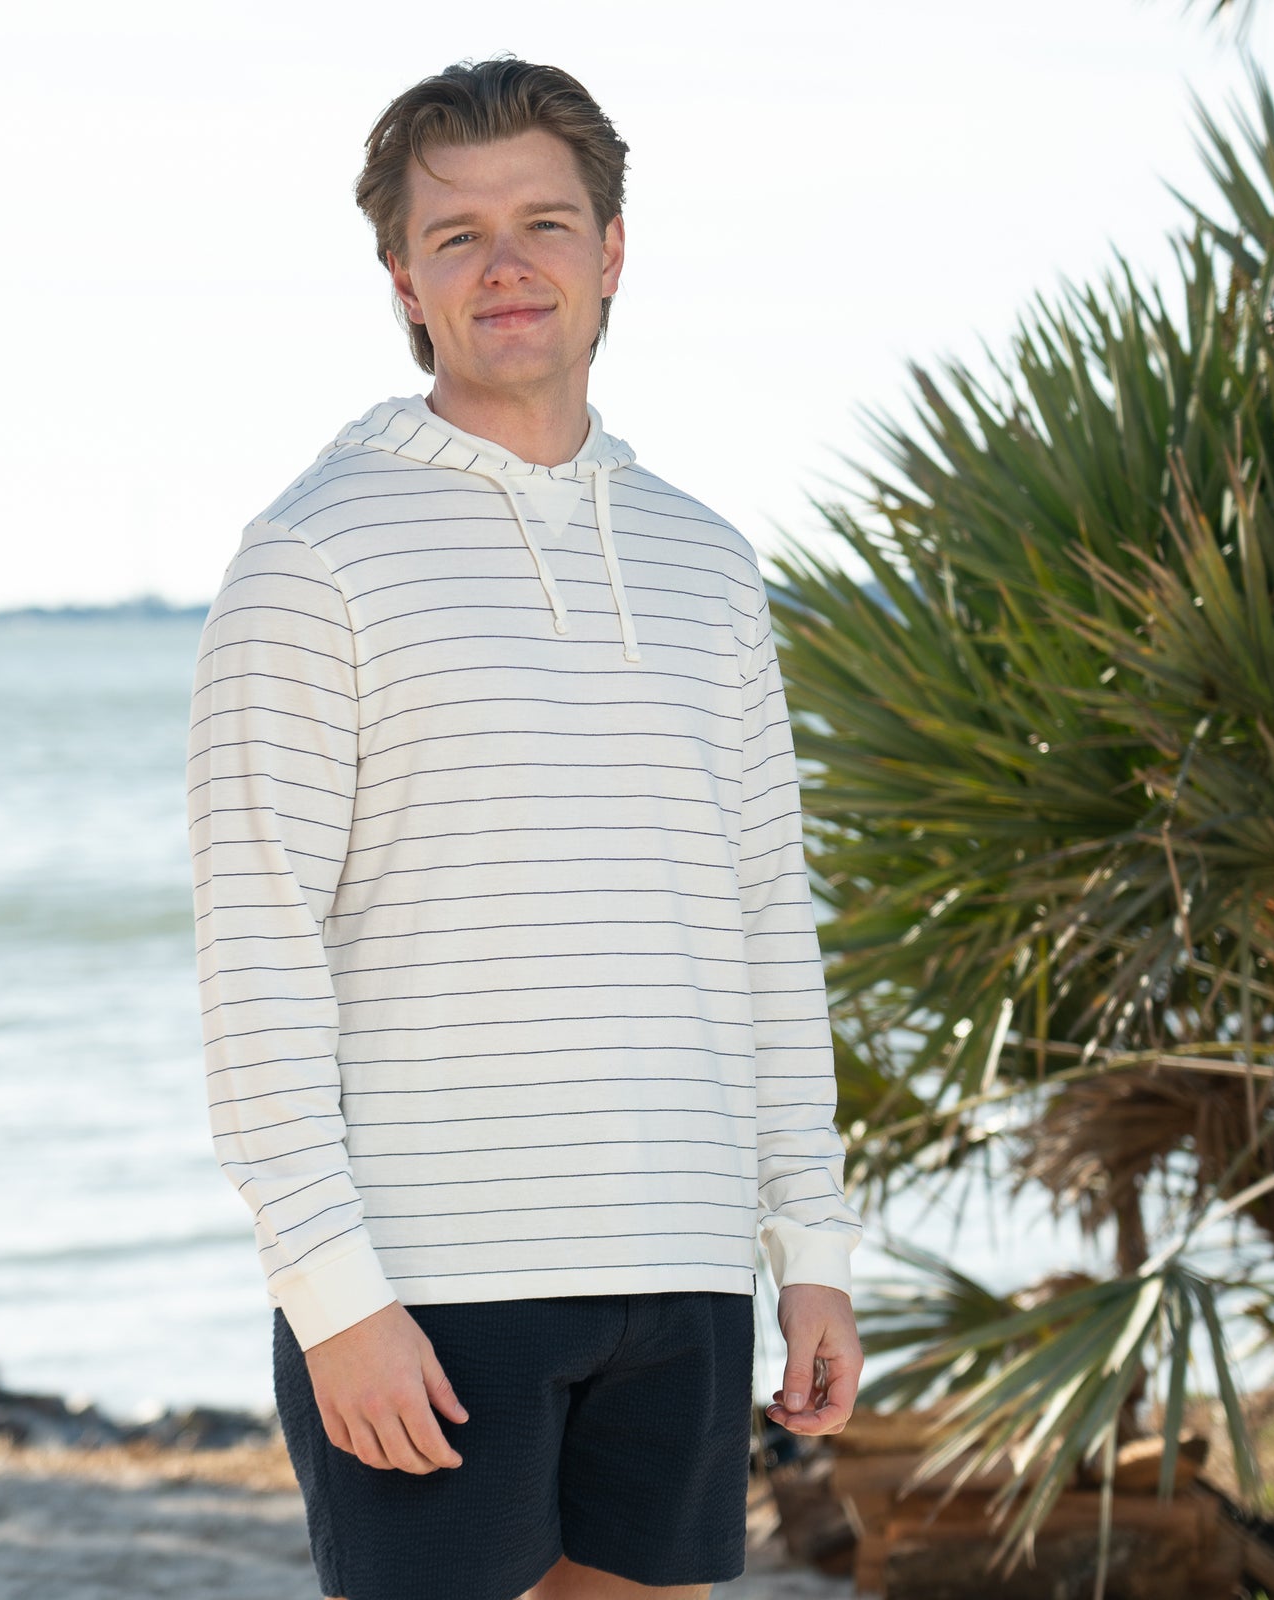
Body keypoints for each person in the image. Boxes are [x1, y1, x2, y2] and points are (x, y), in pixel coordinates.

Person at [184, 52, 865, 1600]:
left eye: (545, 224)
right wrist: (331, 1295)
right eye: (457, 234)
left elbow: (766, 922)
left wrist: (806, 1251)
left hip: (682, 1278)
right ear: (402, 279)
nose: (507, 265)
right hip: (430, 1288)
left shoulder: (709, 564)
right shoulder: (313, 554)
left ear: (612, 252)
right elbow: (258, 950)